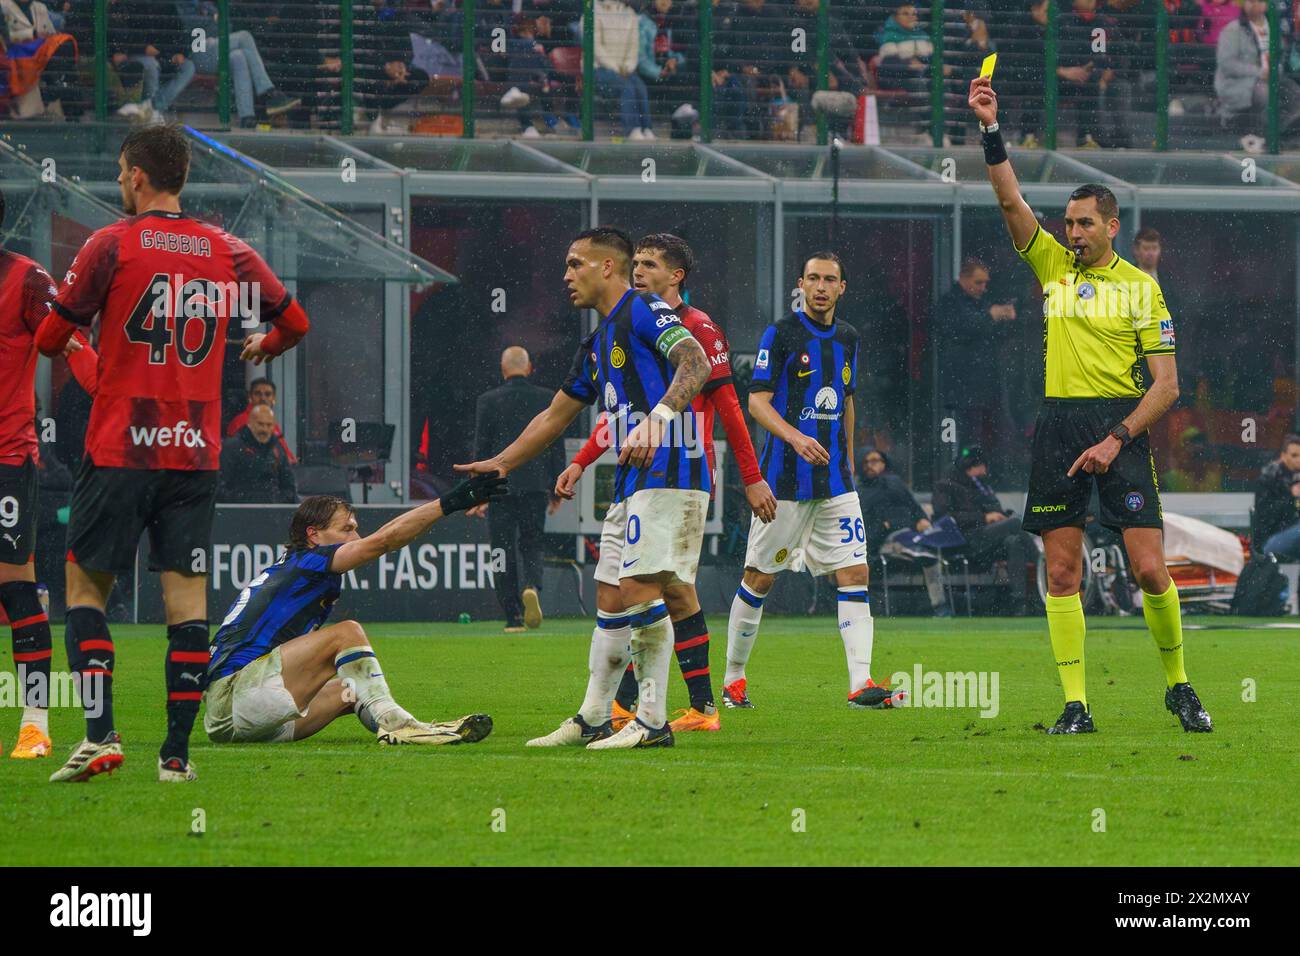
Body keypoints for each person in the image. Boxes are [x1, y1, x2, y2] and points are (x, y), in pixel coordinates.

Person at [35, 124, 312, 783]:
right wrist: (265, 348)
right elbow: (294, 322)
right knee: (187, 606)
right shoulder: (227, 248)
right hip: (194, 454)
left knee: (84, 590)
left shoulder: (110, 243)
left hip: (121, 447)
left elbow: (50, 335)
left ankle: (100, 737)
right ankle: (175, 756)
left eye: (121, 172)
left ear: (135, 176)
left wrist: (83, 351)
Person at [969, 71, 1211, 734]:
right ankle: (1076, 704)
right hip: (1058, 424)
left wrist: (1115, 438)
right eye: (1068, 222)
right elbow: (1010, 199)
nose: (1071, 231)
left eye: (1083, 222)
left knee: (1150, 569)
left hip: (1119, 426)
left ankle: (1179, 686)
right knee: (1062, 569)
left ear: (1110, 225)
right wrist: (991, 130)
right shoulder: (1052, 267)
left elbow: (1167, 386)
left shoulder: (1140, 289)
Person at [456, 226, 712, 750]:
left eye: (575, 264)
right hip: (631, 479)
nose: (566, 275)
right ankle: (595, 715)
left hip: (669, 473)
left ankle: (652, 722)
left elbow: (696, 361)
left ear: (607, 268)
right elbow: (554, 414)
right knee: (611, 596)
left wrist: (658, 418)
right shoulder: (596, 343)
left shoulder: (644, 308)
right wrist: (502, 463)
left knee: (641, 590)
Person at [555, 233, 777, 733]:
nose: (638, 272)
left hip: (677, 473)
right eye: (634, 263)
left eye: (649, 265)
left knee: (646, 587)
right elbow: (619, 412)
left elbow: (729, 407)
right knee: (671, 592)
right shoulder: (624, 323)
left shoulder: (697, 329)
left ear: (676, 276)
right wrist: (586, 459)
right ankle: (694, 708)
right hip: (641, 475)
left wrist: (752, 476)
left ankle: (637, 708)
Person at [723, 253, 905, 712]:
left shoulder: (848, 338)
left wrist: (846, 459)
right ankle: (734, 679)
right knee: (760, 578)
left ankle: (860, 683)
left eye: (830, 280)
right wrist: (795, 437)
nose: (820, 287)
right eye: (813, 279)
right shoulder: (780, 334)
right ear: (800, 284)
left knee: (855, 573)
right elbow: (757, 403)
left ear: (842, 287)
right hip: (783, 481)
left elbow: (846, 402)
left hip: (836, 484)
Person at [205, 480, 505, 746]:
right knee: (346, 633)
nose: (357, 536)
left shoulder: (294, 568)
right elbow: (383, 541)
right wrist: (447, 503)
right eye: (347, 529)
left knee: (353, 688)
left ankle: (411, 730)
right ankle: (398, 725)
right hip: (237, 698)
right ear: (314, 534)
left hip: (238, 716)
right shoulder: (307, 561)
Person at [0, 188, 92, 760]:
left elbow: (70, 341)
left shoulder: (28, 281)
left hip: (6, 459)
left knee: (13, 585)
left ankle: (34, 721)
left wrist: (108, 388)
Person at [471, 346, 564, 632]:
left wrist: (480, 492)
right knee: (532, 542)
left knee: (502, 550)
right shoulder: (546, 399)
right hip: (535, 486)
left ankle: (512, 616)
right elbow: (554, 445)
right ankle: (532, 585)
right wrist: (556, 487)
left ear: (503, 370)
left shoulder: (488, 401)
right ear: (530, 367)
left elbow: (482, 449)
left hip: (500, 486)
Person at [931, 445, 1034, 614]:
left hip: (987, 540)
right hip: (965, 540)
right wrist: (983, 518)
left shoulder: (982, 486)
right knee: (1016, 524)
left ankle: (1019, 603)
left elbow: (995, 510)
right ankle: (1043, 567)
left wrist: (1002, 515)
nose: (985, 472)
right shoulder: (945, 486)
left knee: (1014, 541)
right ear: (973, 466)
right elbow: (944, 517)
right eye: (983, 467)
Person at [934, 258, 1017, 457]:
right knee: (965, 438)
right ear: (963, 279)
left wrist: (1006, 319)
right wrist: (990, 316)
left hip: (986, 385)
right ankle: (963, 470)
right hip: (962, 386)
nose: (983, 288)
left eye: (986, 283)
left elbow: (996, 337)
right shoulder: (950, 303)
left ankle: (984, 471)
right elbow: (961, 330)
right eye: (978, 282)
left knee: (988, 436)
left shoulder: (982, 304)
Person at [172, 1, 301, 128]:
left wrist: (213, 21)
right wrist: (213, 20)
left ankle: (247, 116)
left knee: (238, 57)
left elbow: (227, 25)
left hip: (214, 47)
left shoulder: (212, 4)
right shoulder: (187, 3)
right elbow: (191, 25)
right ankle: (268, 92)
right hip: (197, 51)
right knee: (244, 37)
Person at [856, 447, 946, 616]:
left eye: (875, 461)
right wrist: (888, 525)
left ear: (883, 463)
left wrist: (921, 519)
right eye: (866, 462)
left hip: (912, 533)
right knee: (917, 547)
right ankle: (917, 549)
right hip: (882, 542)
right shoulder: (859, 492)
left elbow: (913, 506)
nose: (870, 466)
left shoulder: (895, 483)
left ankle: (940, 606)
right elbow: (872, 528)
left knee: (931, 554)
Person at [1215, 0, 1300, 152]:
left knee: (1293, 91)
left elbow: (1280, 55)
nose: (1255, 5)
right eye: (1251, 1)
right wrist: (1259, 72)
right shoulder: (1232, 30)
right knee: (1264, 93)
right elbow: (1227, 64)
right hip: (1240, 84)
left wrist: (1274, 71)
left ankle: (1285, 135)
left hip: (1271, 78)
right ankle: (1269, 137)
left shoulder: (1272, 28)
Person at [593, 0, 653, 139]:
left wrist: (627, 66)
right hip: (599, 69)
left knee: (640, 87)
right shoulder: (593, 12)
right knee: (626, 87)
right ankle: (633, 130)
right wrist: (614, 67)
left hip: (624, 69)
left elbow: (633, 46)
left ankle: (646, 128)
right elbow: (596, 48)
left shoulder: (630, 14)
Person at [218, 404, 297, 504]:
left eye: (269, 425)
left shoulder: (278, 449)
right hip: (239, 514)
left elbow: (289, 488)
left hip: (273, 514)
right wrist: (247, 502)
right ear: (250, 423)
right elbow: (220, 489)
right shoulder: (231, 448)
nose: (264, 429)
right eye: (260, 424)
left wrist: (275, 502)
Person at [225, 377, 295, 463]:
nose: (263, 398)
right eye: (258, 394)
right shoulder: (240, 422)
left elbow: (284, 454)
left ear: (274, 398)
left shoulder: (271, 421)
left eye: (268, 394)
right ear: (249, 397)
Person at [1252, 434, 1300, 557]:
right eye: (1294, 455)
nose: (1299, 459)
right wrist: (1291, 495)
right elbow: (1265, 517)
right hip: (1273, 537)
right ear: (1283, 456)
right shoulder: (1270, 479)